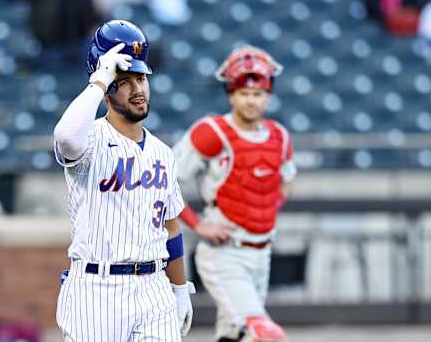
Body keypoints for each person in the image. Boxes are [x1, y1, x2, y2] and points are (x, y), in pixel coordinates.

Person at [53, 20, 194, 342]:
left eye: (141, 78)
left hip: (153, 285)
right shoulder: (90, 140)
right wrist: (100, 80)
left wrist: (180, 288)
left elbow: (171, 229)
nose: (138, 89)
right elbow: (65, 136)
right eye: (125, 80)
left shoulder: (162, 152)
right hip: (96, 288)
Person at [174, 46, 297, 342]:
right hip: (225, 253)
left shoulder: (279, 135)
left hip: (262, 253)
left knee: (233, 336)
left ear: (268, 96)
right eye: (244, 93)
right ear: (231, 95)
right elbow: (162, 180)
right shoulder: (212, 131)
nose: (251, 100)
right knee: (264, 334)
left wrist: (265, 210)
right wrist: (198, 224)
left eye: (257, 94)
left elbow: (287, 180)